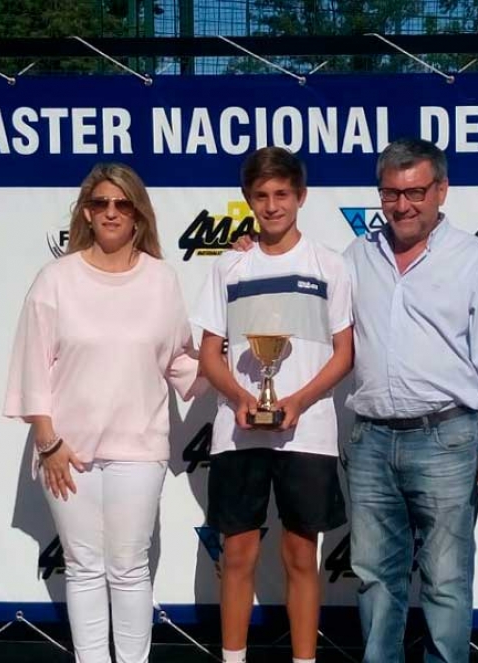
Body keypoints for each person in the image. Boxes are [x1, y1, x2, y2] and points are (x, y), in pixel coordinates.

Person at [3, 163, 205, 663]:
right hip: (65, 451)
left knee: (130, 568)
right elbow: (32, 364)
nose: (111, 213)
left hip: (140, 448)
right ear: (86, 214)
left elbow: (181, 358)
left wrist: (238, 368)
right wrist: (48, 442)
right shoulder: (55, 279)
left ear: (139, 214)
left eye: (122, 204)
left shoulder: (162, 280)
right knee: (83, 567)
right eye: (100, 204)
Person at [345, 138, 478, 663]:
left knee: (447, 580)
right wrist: (253, 250)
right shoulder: (356, 256)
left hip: (448, 439)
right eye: (390, 193)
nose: (402, 205)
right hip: (370, 440)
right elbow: (308, 302)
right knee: (373, 579)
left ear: (441, 191)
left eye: (415, 192)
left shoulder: (474, 261)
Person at [193, 146, 354, 663]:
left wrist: (300, 401)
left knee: (301, 555)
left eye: (282, 194)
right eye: (261, 196)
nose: (272, 205)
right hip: (238, 430)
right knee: (237, 554)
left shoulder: (331, 264)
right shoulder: (229, 265)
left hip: (307, 432)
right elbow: (209, 355)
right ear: (248, 199)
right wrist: (243, 398)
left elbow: (344, 353)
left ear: (300, 197)